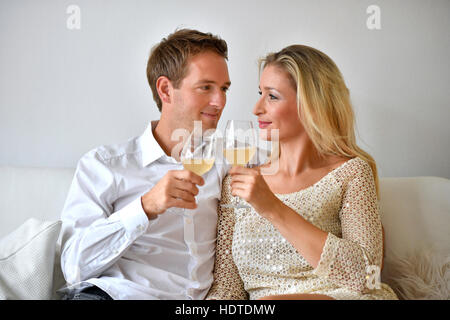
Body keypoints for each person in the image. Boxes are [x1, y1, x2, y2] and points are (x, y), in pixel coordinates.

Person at [206, 45, 399, 300]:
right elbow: (226, 288)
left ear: (310, 105)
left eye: (272, 96)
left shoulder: (351, 173)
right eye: (260, 93)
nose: (256, 108)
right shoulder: (239, 183)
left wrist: (272, 208)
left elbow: (366, 275)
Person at [58, 28, 232, 300]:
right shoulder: (104, 165)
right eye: (205, 87)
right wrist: (145, 207)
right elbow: (74, 268)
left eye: (224, 89)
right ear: (165, 89)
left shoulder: (227, 163)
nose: (219, 101)